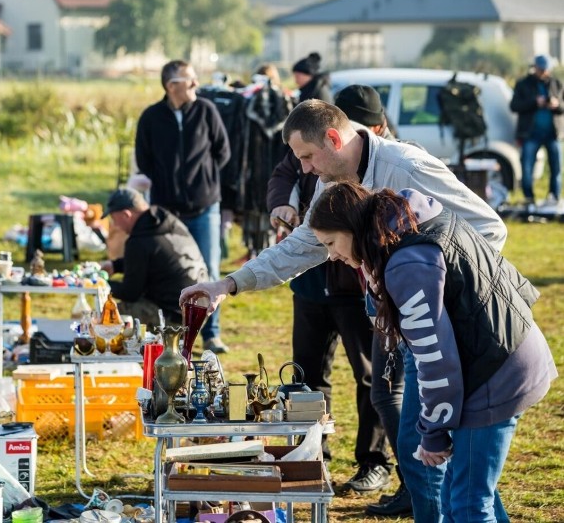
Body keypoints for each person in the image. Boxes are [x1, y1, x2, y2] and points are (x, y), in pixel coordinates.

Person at [181, 99, 507, 522]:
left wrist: (434, 294)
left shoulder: (405, 166)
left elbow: (488, 229)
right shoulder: (333, 176)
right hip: (404, 323)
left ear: (333, 139)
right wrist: (229, 283)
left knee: (431, 462)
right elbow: (304, 245)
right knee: (451, 467)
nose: (305, 169)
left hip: (453, 328)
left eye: (307, 156)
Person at [308, 181, 557, 522]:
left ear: (352, 228)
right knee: (465, 492)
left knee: (467, 504)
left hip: (496, 371)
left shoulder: (406, 263)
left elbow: (433, 357)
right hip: (503, 352)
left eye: (331, 243)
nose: (332, 255)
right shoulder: (408, 223)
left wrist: (434, 432)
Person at [265, 85, 397, 501]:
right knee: (305, 376)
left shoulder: (387, 164)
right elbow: (283, 173)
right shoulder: (310, 148)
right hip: (308, 283)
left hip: (353, 286)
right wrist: (280, 205)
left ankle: (373, 462)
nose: (308, 167)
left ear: (371, 128)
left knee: (372, 377)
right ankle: (310, 459)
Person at [135, 59, 231, 353]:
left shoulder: (206, 110)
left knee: (209, 269)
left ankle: (211, 335)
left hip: (204, 207)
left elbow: (222, 152)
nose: (195, 85)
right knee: (170, 269)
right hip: (167, 211)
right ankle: (173, 333)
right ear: (171, 85)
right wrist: (167, 183)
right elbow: (144, 160)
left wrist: (202, 182)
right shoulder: (151, 117)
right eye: (189, 80)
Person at [100, 187, 208, 328]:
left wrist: (99, 284)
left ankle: (129, 349)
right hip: (200, 309)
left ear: (126, 215)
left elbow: (130, 292)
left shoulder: (138, 241)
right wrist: (115, 266)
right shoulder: (167, 222)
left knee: (108, 315)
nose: (115, 225)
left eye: (114, 219)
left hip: (174, 316)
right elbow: (154, 256)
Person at [510, 54, 564, 209]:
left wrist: (556, 105)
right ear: (535, 68)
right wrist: (535, 102)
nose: (543, 72)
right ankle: (529, 198)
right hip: (530, 134)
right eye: (541, 69)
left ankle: (554, 197)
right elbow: (514, 106)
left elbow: (562, 108)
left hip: (552, 134)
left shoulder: (557, 84)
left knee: (556, 167)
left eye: (546, 69)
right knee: (527, 167)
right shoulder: (523, 84)